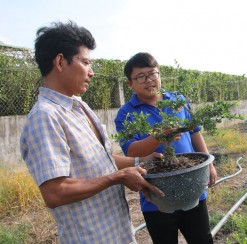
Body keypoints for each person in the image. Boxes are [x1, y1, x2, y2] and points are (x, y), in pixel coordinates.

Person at [20, 21, 164, 244]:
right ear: (60, 61)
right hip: (90, 237)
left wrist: (140, 160)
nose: (92, 72)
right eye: (85, 62)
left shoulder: (79, 106)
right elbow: (55, 192)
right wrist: (117, 178)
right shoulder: (45, 117)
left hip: (117, 230)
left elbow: (100, 160)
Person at [115, 52, 216, 244]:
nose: (149, 80)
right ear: (130, 83)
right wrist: (158, 138)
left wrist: (208, 163)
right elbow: (132, 150)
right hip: (156, 196)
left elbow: (194, 132)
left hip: (192, 185)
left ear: (159, 75)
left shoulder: (177, 100)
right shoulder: (126, 113)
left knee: (202, 239)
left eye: (153, 74)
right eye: (141, 77)